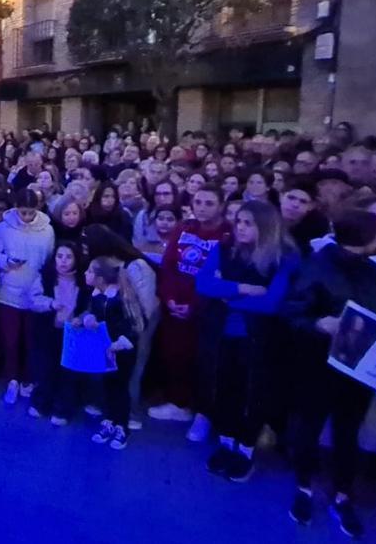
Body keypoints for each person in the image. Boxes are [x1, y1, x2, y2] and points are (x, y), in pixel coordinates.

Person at [281, 209, 376, 537]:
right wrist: (318, 324)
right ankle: (304, 485)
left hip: (360, 366)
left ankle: (342, 493)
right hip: (318, 364)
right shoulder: (316, 267)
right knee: (308, 427)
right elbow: (292, 313)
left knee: (348, 431)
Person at [196, 201, 299, 482]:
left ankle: (246, 449)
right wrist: (241, 289)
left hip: (260, 337)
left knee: (253, 394)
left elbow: (271, 303)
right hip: (222, 333)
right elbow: (202, 283)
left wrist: (225, 295)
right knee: (225, 389)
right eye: (239, 221)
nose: (240, 228)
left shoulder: (285, 257)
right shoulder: (224, 249)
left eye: (248, 223)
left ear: (265, 227)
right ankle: (227, 443)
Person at [150, 183, 232, 441]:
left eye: (209, 203)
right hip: (175, 306)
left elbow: (222, 277)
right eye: (198, 202)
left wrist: (195, 305)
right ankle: (179, 404)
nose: (203, 208)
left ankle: (204, 414)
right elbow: (169, 267)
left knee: (207, 364)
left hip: (209, 311)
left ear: (221, 205)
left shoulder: (228, 236)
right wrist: (170, 298)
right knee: (175, 355)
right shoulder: (183, 229)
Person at [0, 189, 55, 405]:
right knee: (10, 339)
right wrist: (6, 262)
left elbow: (48, 260)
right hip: (8, 292)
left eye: (30, 212)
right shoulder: (3, 228)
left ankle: (28, 377)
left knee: (31, 340)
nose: (26, 217)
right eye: (22, 212)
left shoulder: (47, 231)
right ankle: (12, 379)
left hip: (34, 293)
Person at [26, 241, 92, 425]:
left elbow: (89, 306)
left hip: (72, 334)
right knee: (45, 368)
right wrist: (50, 304)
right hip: (48, 331)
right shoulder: (45, 278)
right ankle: (42, 402)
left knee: (68, 373)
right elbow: (33, 299)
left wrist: (82, 318)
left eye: (69, 257)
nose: (63, 261)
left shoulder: (84, 282)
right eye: (60, 256)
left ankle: (63, 408)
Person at [81, 258, 138, 450]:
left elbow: (132, 325)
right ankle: (109, 419)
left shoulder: (121, 298)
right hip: (105, 350)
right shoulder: (97, 297)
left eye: (89, 272)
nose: (85, 274)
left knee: (120, 387)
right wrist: (89, 320)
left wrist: (120, 343)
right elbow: (96, 315)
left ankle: (122, 425)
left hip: (122, 352)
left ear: (100, 278)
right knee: (107, 385)